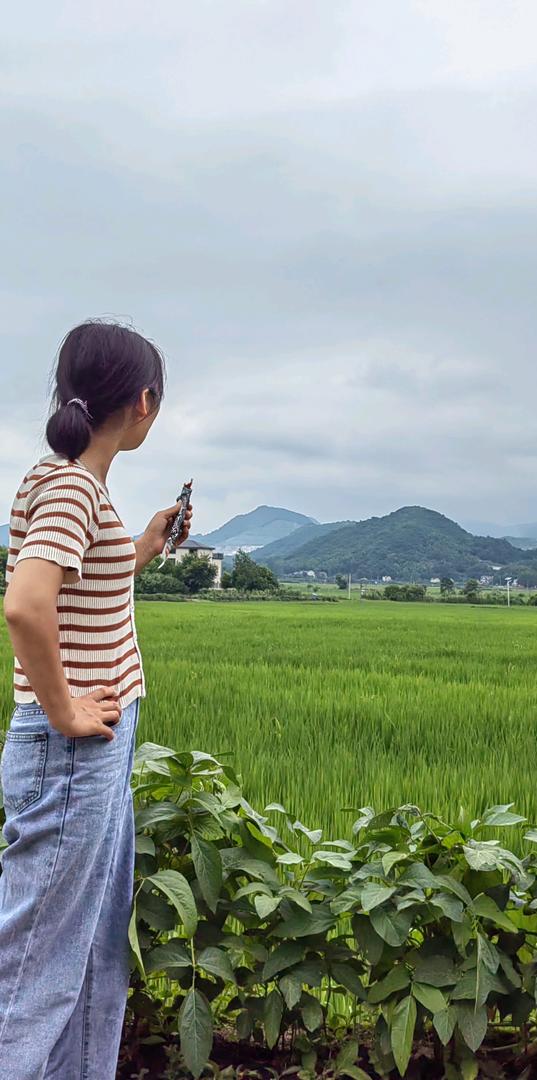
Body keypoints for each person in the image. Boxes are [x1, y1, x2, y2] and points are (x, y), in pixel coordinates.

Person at [0, 321, 193, 1079]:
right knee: (35, 967)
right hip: (72, 752)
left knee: (89, 950)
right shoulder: (71, 486)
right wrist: (63, 708)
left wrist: (144, 545)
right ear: (144, 403)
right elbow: (25, 603)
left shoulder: (79, 487)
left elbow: (83, 586)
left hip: (93, 753)